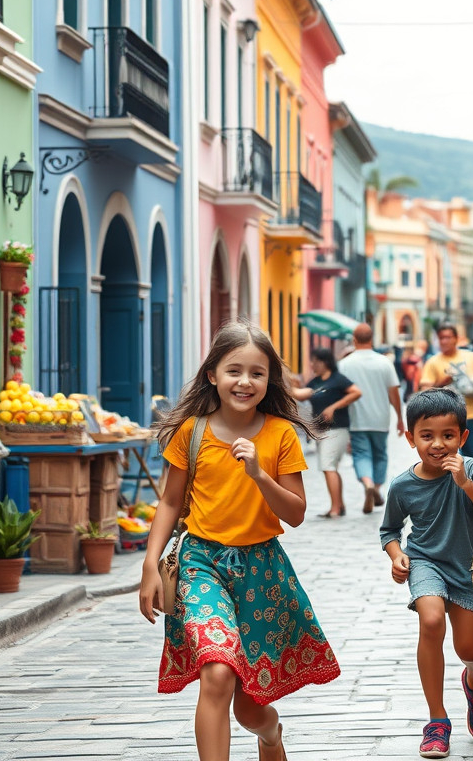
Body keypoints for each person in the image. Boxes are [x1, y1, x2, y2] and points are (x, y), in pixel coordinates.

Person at [139, 320, 341, 761]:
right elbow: (171, 504)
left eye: (257, 372)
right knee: (216, 672)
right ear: (212, 374)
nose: (245, 381)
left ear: (270, 380)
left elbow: (296, 514)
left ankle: (271, 735)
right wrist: (149, 565)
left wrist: (258, 474)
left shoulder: (280, 434)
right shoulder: (190, 432)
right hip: (200, 563)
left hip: (262, 572)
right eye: (234, 370)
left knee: (251, 707)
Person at [380, 387, 473, 759]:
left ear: (462, 437)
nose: (438, 445)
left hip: (468, 569)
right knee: (431, 622)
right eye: (426, 436)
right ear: (410, 436)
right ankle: (437, 720)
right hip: (426, 562)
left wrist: (464, 481)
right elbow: (389, 531)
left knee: (467, 649)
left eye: (448, 435)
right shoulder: (402, 485)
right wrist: (397, 556)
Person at [338, 322, 404, 513]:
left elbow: (340, 394)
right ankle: (376, 488)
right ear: (372, 338)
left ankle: (366, 483)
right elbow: (394, 393)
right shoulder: (384, 362)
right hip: (380, 418)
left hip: (356, 418)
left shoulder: (344, 364)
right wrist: (399, 418)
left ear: (354, 339)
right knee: (380, 454)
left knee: (361, 454)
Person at [288, 346, 361, 518]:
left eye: (314, 361)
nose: (312, 365)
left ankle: (335, 508)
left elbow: (356, 392)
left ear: (324, 362)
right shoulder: (316, 382)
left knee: (328, 466)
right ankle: (339, 506)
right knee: (330, 467)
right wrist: (287, 381)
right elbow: (301, 394)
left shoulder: (338, 380)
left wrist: (333, 407)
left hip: (337, 429)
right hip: (322, 431)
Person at [420, 323, 473, 458]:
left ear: (456, 339)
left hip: (471, 415)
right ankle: (452, 479)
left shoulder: (471, 357)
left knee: (472, 456)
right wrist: (442, 382)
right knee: (446, 456)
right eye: (441, 338)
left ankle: (470, 479)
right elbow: (425, 390)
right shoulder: (433, 362)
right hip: (445, 417)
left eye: (448, 337)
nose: (444, 341)